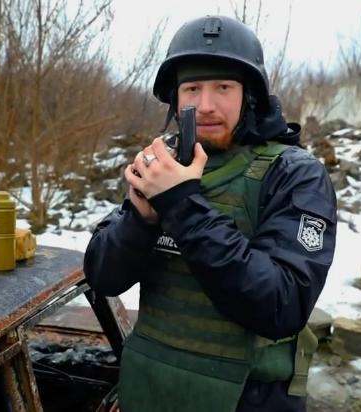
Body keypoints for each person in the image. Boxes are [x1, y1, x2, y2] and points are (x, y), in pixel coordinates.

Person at [84, 15, 337, 412]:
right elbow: (103, 278)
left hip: (248, 397)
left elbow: (282, 305)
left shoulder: (294, 174)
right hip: (150, 387)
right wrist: (140, 219)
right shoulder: (162, 164)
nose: (205, 105)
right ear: (175, 99)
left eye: (222, 87)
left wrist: (182, 205)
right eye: (192, 88)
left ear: (249, 95)